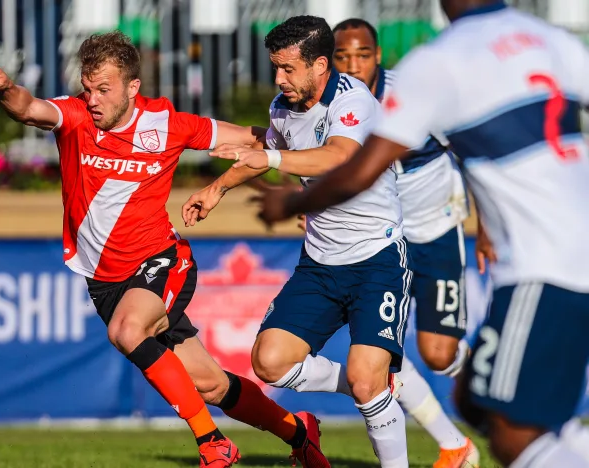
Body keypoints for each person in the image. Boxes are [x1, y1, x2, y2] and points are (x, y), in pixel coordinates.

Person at [0, 31, 328, 468]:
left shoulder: (168, 124)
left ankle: (213, 444)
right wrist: (7, 88)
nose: (93, 99)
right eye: (88, 88)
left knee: (127, 331)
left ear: (132, 87)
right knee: (210, 385)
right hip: (104, 281)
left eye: (104, 89)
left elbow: (262, 137)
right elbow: (28, 108)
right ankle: (300, 432)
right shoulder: (74, 116)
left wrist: (307, 173)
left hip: (162, 259)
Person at [251, 2, 589, 467]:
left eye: (362, 54)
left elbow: (355, 168)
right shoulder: (550, 39)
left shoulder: (434, 65)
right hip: (543, 250)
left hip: (539, 255)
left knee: (508, 429)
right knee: (476, 398)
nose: (354, 65)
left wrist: (290, 202)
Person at [184, 16, 411, 467]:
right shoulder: (282, 107)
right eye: (275, 67)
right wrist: (218, 188)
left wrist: (268, 155)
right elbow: (265, 151)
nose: (278, 78)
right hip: (320, 264)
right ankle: (369, 383)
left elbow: (339, 156)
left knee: (369, 382)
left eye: (288, 68)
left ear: (320, 65)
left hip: (376, 257)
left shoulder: (354, 101)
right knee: (270, 362)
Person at [330, 18, 480, 468]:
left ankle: (502, 385)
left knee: (439, 354)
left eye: (361, 55)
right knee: (379, 353)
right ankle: (456, 447)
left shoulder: (410, 94)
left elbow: (469, 150)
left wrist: (488, 227)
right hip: (378, 239)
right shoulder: (329, 102)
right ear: (330, 60)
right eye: (342, 56)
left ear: (378, 56)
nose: (353, 65)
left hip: (433, 227)